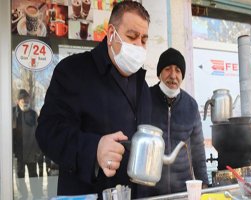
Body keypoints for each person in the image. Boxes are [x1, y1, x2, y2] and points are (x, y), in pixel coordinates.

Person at [35, 1, 152, 198]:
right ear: (111, 34)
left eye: (144, 39)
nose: (139, 45)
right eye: (132, 36)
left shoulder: (143, 87)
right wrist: (94, 149)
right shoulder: (73, 71)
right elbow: (47, 132)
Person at [148, 48, 209, 196]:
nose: (173, 75)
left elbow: (198, 150)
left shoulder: (191, 106)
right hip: (150, 189)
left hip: (183, 190)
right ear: (159, 74)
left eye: (178, 70)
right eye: (167, 69)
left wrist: (204, 184)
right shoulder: (145, 98)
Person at [12, 89, 43, 199]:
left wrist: (39, 151)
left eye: (27, 99)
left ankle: (36, 196)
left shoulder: (33, 114)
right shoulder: (13, 113)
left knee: (33, 177)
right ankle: (23, 196)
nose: (25, 101)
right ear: (18, 101)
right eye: (22, 99)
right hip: (18, 154)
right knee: (19, 178)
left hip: (32, 153)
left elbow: (39, 132)